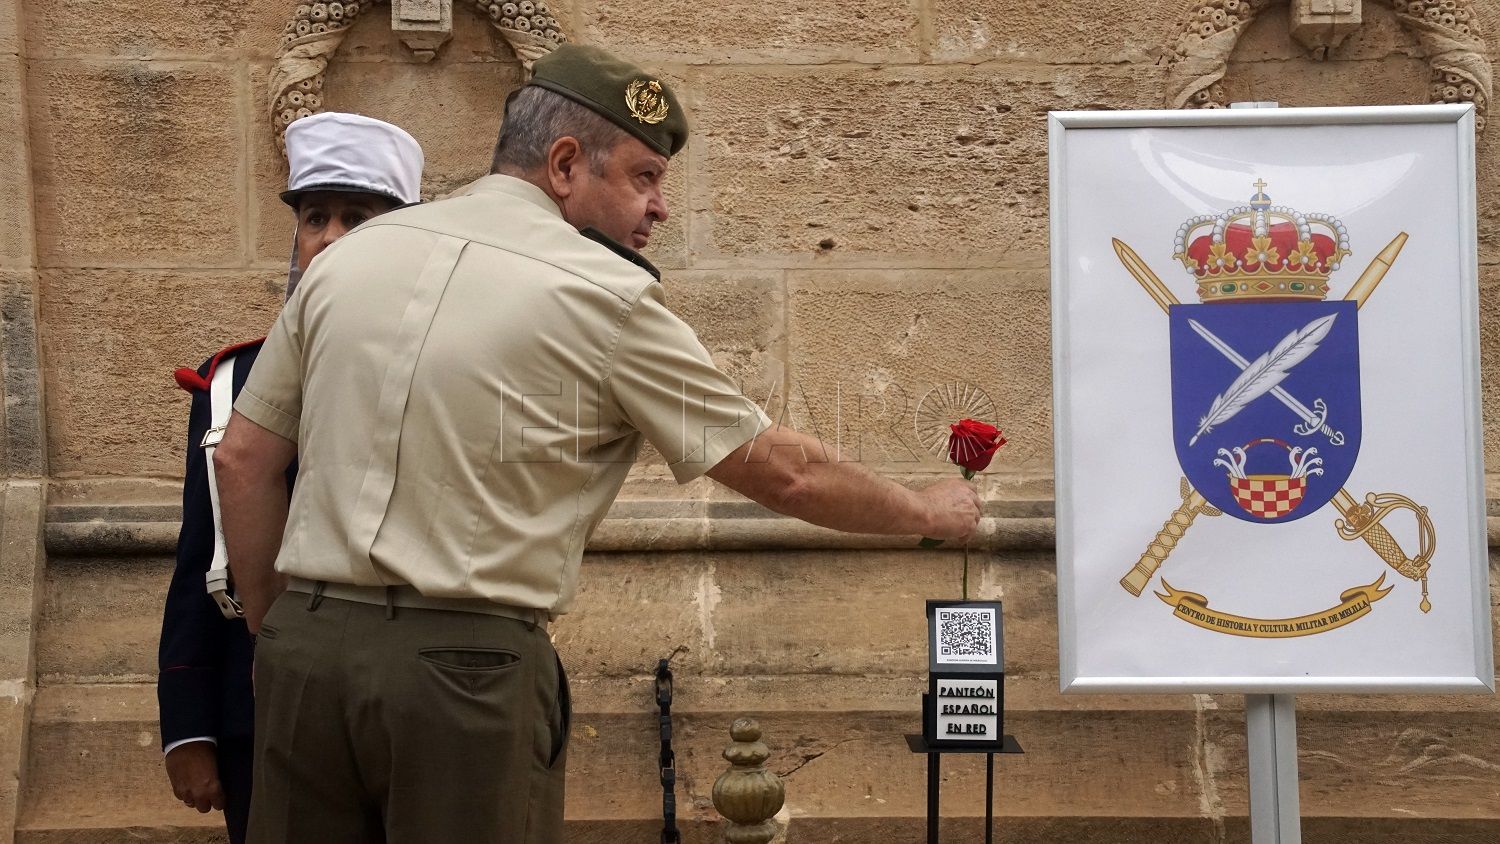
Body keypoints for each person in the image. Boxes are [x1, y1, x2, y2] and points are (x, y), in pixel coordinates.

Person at [215, 44, 981, 843]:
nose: (661, 208)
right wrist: (929, 509)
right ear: (566, 164)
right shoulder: (604, 295)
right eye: (644, 176)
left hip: (304, 653)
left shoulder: (349, 259)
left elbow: (243, 461)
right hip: (463, 673)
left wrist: (282, 635)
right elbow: (785, 474)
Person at [156, 112, 423, 844]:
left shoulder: (439, 370)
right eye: (315, 217)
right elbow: (198, 555)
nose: (331, 237)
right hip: (257, 706)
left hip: (404, 701)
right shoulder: (228, 384)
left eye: (357, 217)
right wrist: (189, 726)